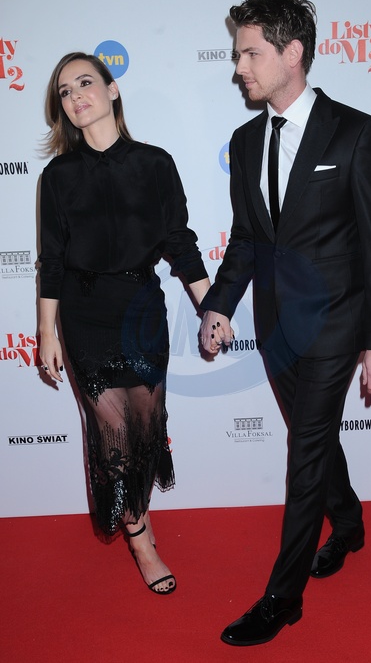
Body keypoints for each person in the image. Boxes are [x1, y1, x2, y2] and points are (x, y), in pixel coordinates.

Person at [200, 0, 371, 645]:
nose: (238, 67)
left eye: (250, 53)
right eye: (236, 55)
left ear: (292, 53)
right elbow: (248, 240)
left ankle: (282, 598)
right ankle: (350, 524)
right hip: (276, 327)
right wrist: (218, 305)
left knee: (306, 450)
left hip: (339, 321)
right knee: (314, 438)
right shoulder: (244, 141)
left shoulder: (356, 132)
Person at [39, 52, 210, 595]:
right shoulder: (58, 176)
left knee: (145, 426)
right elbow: (51, 261)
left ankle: (139, 512)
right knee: (112, 435)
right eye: (65, 91)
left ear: (112, 90)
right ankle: (141, 543)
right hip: (84, 315)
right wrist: (46, 333)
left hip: (141, 311)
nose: (75, 96)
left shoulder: (155, 164)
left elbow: (180, 242)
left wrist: (211, 306)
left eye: (85, 83)